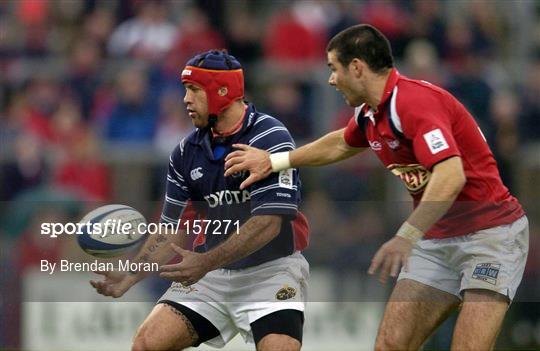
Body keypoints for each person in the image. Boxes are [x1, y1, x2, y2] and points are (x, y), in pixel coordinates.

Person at [224, 24, 529, 350]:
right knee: (390, 344)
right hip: (437, 241)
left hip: (490, 237)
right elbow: (342, 143)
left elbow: (451, 176)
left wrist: (406, 236)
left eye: (333, 68)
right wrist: (276, 161)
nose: (330, 79)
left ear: (356, 67)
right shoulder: (371, 113)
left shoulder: (413, 104)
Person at [90, 50, 309, 351]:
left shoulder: (270, 138)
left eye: (194, 90)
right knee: (146, 344)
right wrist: (130, 275)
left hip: (270, 272)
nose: (185, 99)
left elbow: (268, 224)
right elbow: (170, 227)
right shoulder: (184, 152)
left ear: (222, 91)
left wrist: (205, 262)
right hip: (212, 274)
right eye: (185, 90)